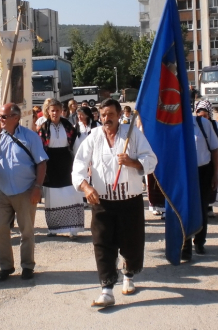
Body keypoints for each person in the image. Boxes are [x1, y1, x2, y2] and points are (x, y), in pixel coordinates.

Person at [72, 98, 157, 308]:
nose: (106, 119)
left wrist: (133, 162)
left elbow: (152, 160)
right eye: (103, 115)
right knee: (102, 244)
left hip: (129, 200)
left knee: (131, 243)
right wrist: (86, 187)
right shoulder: (93, 136)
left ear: (119, 115)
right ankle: (107, 290)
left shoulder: (132, 134)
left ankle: (128, 275)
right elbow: (79, 165)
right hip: (102, 202)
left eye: (110, 114)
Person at [0, 103, 48, 281]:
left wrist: (37, 188)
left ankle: (27, 266)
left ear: (16, 118)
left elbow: (41, 163)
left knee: (26, 231)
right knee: (0, 229)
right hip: (1, 190)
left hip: (25, 190)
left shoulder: (30, 137)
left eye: (3, 116)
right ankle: (6, 266)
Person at [38, 99, 84, 238]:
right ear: (48, 111)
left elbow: (76, 145)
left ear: (61, 111)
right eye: (52, 110)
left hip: (66, 161)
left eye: (57, 110)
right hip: (50, 163)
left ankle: (73, 229)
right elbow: (40, 148)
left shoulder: (68, 126)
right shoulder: (44, 127)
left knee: (71, 192)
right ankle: (54, 228)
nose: (55, 113)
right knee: (53, 195)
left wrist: (79, 162)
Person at [181, 113, 218, 262]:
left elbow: (215, 150)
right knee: (184, 209)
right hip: (182, 173)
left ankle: (199, 242)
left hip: (203, 172)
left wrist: (215, 174)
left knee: (201, 208)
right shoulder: (173, 124)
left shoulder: (203, 123)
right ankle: (185, 246)